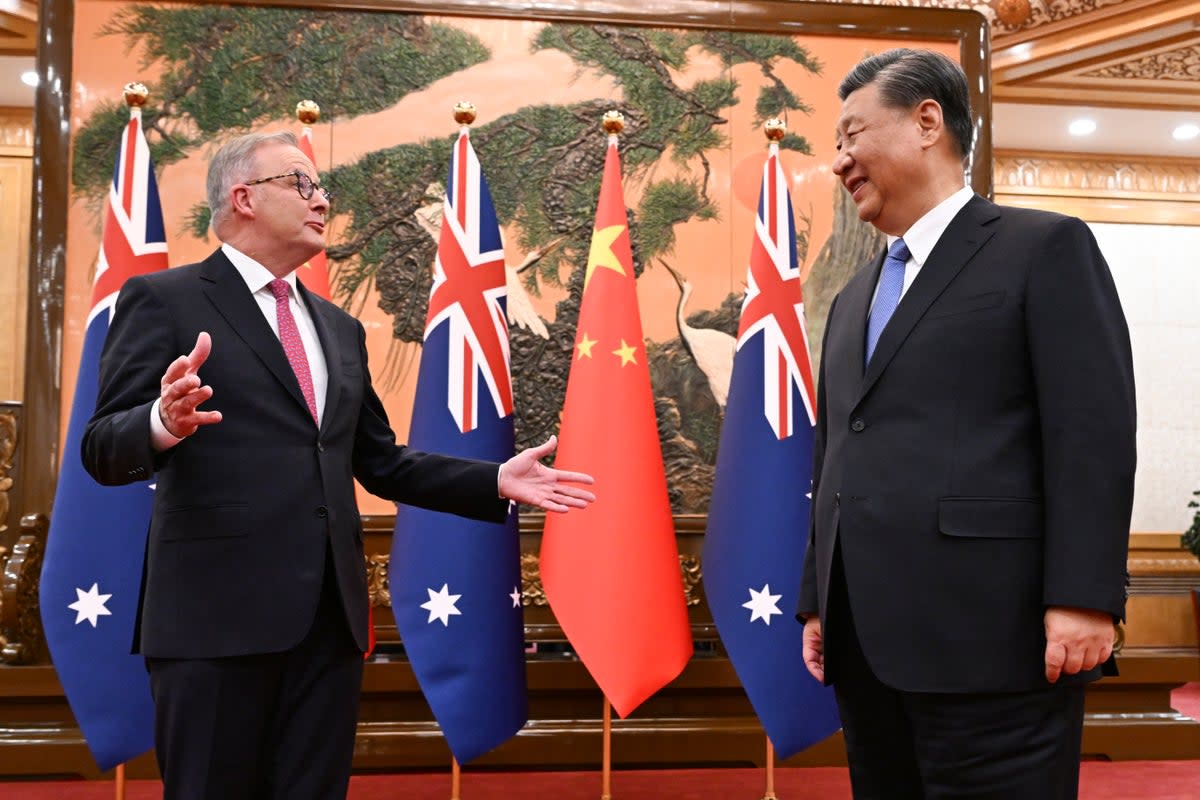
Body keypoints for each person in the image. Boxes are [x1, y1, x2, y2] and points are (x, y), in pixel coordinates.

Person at [81, 130, 595, 800]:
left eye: (320, 186)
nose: (321, 199)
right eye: (300, 183)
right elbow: (101, 447)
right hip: (214, 622)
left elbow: (378, 462)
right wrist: (159, 422)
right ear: (243, 198)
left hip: (328, 622)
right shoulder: (165, 299)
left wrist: (494, 479)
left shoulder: (335, 326)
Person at [796, 49, 1136, 799]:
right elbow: (835, 452)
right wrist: (819, 597)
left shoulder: (1042, 248)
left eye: (852, 134)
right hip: (864, 645)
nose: (839, 161)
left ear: (927, 122)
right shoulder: (853, 296)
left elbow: (1092, 433)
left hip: (997, 640)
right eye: (835, 145)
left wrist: (1085, 595)